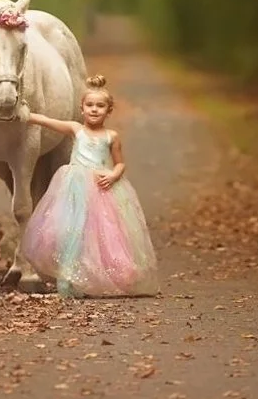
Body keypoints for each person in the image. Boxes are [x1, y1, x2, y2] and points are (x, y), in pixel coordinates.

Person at [18, 74, 159, 298]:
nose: (94, 110)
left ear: (109, 110)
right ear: (81, 108)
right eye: (90, 105)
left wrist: (113, 175)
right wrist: (27, 114)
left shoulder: (111, 136)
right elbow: (47, 121)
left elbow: (120, 163)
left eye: (100, 106)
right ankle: (69, 278)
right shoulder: (76, 129)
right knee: (71, 230)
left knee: (103, 233)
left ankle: (102, 277)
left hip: (101, 188)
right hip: (74, 188)